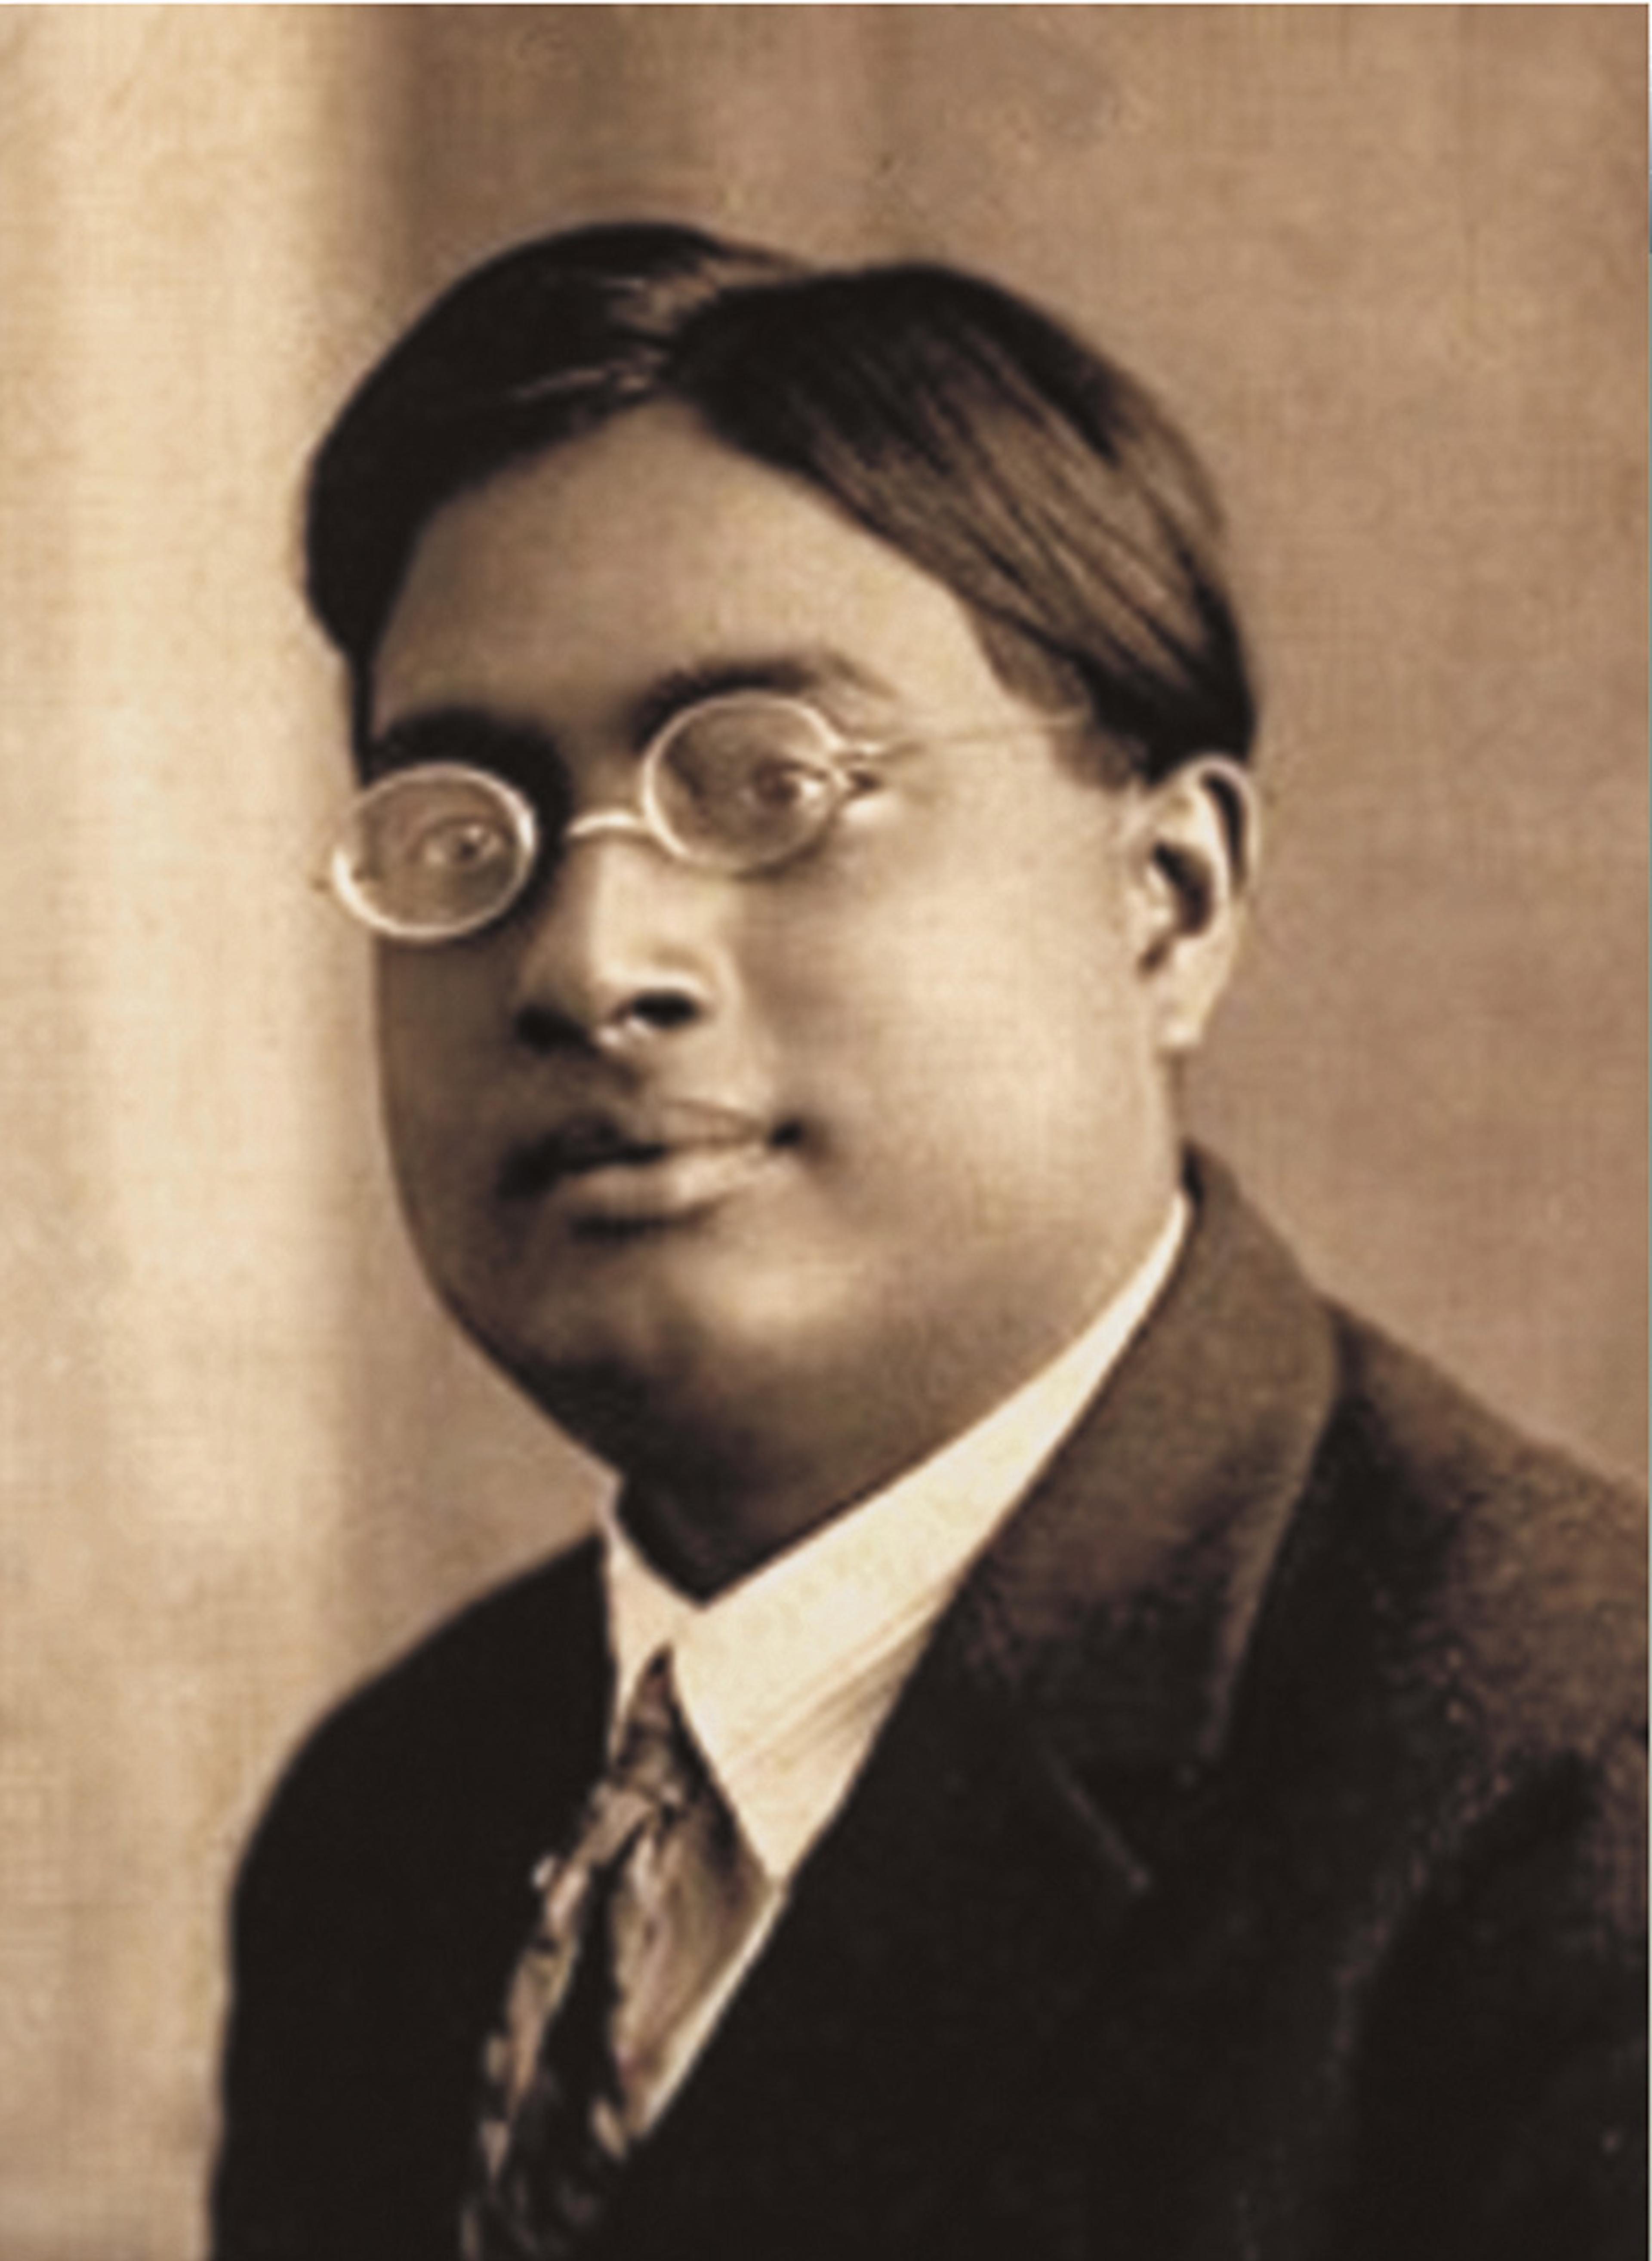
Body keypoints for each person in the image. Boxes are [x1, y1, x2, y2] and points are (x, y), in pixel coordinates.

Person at [208, 222, 1644, 2261]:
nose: (593, 959)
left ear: (1168, 900)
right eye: (467, 835)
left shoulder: (1572, 1811)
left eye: (771, 784)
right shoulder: (397, 1824)